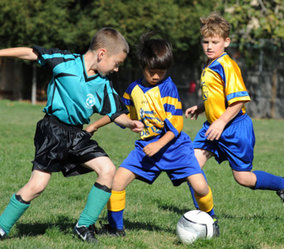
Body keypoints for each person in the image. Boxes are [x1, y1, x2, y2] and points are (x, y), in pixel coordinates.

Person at [0, 27, 144, 243]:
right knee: (37, 185)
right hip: (53, 130)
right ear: (102, 53)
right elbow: (32, 52)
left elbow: (116, 113)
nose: (116, 69)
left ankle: (83, 226)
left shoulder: (104, 85)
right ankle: (2, 227)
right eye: (117, 64)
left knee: (107, 169)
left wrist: (130, 122)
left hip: (77, 134)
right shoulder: (65, 62)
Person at [95, 33, 219, 237]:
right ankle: (115, 229)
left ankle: (211, 221)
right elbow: (120, 112)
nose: (156, 76)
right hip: (146, 147)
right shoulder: (133, 90)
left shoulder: (168, 88)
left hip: (175, 147)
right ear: (142, 66)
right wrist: (95, 126)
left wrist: (158, 145)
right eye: (152, 72)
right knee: (117, 182)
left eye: (161, 72)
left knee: (200, 186)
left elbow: (176, 127)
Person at [185, 13, 284, 210]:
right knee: (190, 169)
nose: (210, 46)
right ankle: (208, 219)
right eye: (206, 42)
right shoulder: (210, 64)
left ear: (226, 42)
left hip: (234, 129)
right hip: (213, 127)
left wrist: (221, 122)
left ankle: (282, 185)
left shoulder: (227, 65)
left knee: (243, 178)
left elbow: (238, 101)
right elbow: (217, 96)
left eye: (215, 41)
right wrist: (201, 107)